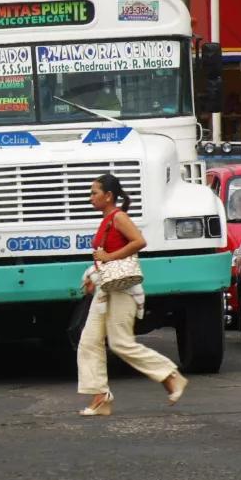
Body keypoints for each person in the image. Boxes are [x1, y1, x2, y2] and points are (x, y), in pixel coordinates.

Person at [76, 173, 187, 416]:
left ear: (109, 196)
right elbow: (104, 255)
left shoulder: (118, 217)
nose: (90, 198)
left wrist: (108, 258)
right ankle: (100, 396)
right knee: (88, 342)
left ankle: (170, 376)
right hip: (106, 289)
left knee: (121, 343)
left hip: (123, 290)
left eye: (94, 193)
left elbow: (139, 242)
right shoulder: (106, 220)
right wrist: (91, 275)